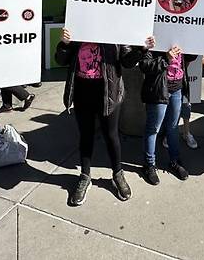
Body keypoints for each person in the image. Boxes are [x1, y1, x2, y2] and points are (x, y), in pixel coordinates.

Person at [55, 28, 149, 206]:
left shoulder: (116, 29)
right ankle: (85, 176)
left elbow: (127, 62)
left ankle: (117, 174)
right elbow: (61, 60)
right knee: (86, 135)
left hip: (109, 93)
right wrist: (64, 44)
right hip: (82, 92)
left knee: (111, 136)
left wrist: (142, 50)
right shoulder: (78, 28)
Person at [140, 45, 195, 184]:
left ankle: (174, 161)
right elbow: (144, 65)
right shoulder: (153, 38)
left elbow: (190, 57)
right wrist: (166, 58)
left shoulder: (182, 36)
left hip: (177, 88)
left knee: (173, 127)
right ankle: (149, 165)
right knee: (153, 129)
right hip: (159, 89)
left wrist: (196, 45)